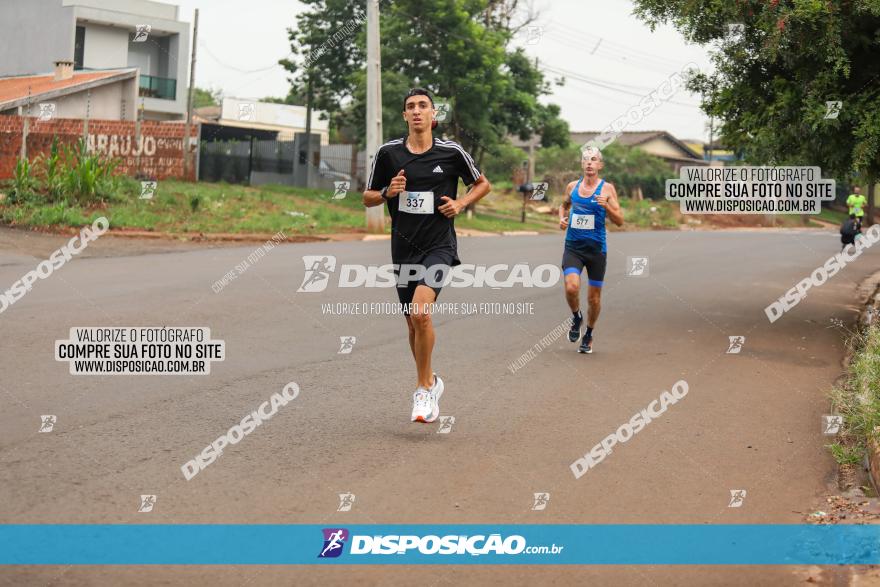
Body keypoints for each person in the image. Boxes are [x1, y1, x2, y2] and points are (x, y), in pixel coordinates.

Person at [363, 88, 491, 423]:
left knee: (420, 314)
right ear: (404, 116)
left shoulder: (451, 152)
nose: (417, 112)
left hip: (439, 247)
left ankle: (422, 390)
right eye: (410, 107)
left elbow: (482, 184)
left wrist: (461, 203)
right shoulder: (388, 153)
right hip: (403, 248)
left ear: (434, 115)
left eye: (423, 106)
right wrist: (388, 192)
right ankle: (432, 381)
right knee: (412, 322)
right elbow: (367, 197)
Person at [558, 146, 624, 354]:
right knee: (571, 287)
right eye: (586, 159)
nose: (589, 163)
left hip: (596, 251)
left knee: (594, 299)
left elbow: (620, 221)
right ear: (581, 164)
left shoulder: (607, 190)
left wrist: (607, 206)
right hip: (573, 248)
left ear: (599, 165)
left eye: (593, 159)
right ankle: (576, 316)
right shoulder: (572, 187)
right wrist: (561, 218)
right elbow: (563, 205)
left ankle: (589, 334)